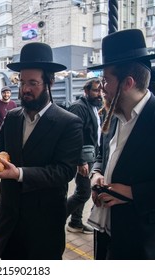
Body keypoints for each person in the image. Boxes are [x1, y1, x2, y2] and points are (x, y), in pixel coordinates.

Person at [0, 42, 83, 259]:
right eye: (21, 82)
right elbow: (0, 153)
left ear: (49, 81)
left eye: (33, 83)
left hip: (43, 226)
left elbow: (64, 172)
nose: (25, 89)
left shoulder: (69, 123)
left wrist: (19, 174)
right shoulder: (12, 118)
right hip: (8, 222)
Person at [87, 29, 155, 260]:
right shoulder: (112, 113)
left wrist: (133, 192)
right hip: (105, 234)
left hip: (142, 243)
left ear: (127, 83)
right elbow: (102, 155)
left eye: (106, 81)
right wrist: (96, 174)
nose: (102, 87)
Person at [66, 78, 102, 234]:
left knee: (81, 190)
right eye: (95, 90)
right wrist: (80, 161)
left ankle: (75, 222)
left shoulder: (94, 106)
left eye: (100, 90)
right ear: (86, 91)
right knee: (84, 192)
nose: (99, 94)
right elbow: (73, 136)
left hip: (90, 157)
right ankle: (56, 218)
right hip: (82, 159)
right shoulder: (78, 107)